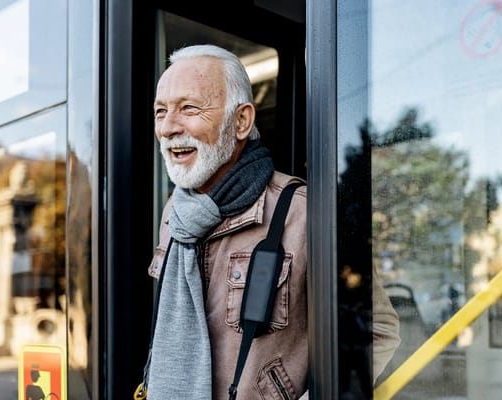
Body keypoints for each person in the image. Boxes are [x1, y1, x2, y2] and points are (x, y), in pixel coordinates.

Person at [144, 44, 399, 400]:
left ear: (242, 121)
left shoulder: (306, 214)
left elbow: (378, 330)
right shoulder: (175, 213)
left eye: (189, 108)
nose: (168, 127)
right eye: (160, 112)